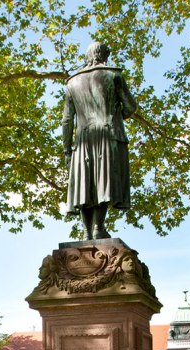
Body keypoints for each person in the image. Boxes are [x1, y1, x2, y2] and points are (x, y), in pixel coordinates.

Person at [62, 41, 137, 240]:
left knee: (85, 185)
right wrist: (116, 113)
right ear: (103, 55)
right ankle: (98, 228)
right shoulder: (114, 75)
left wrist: (67, 149)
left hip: (83, 138)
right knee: (103, 181)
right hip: (108, 132)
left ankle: (87, 232)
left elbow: (67, 120)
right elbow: (130, 107)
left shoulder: (72, 82)